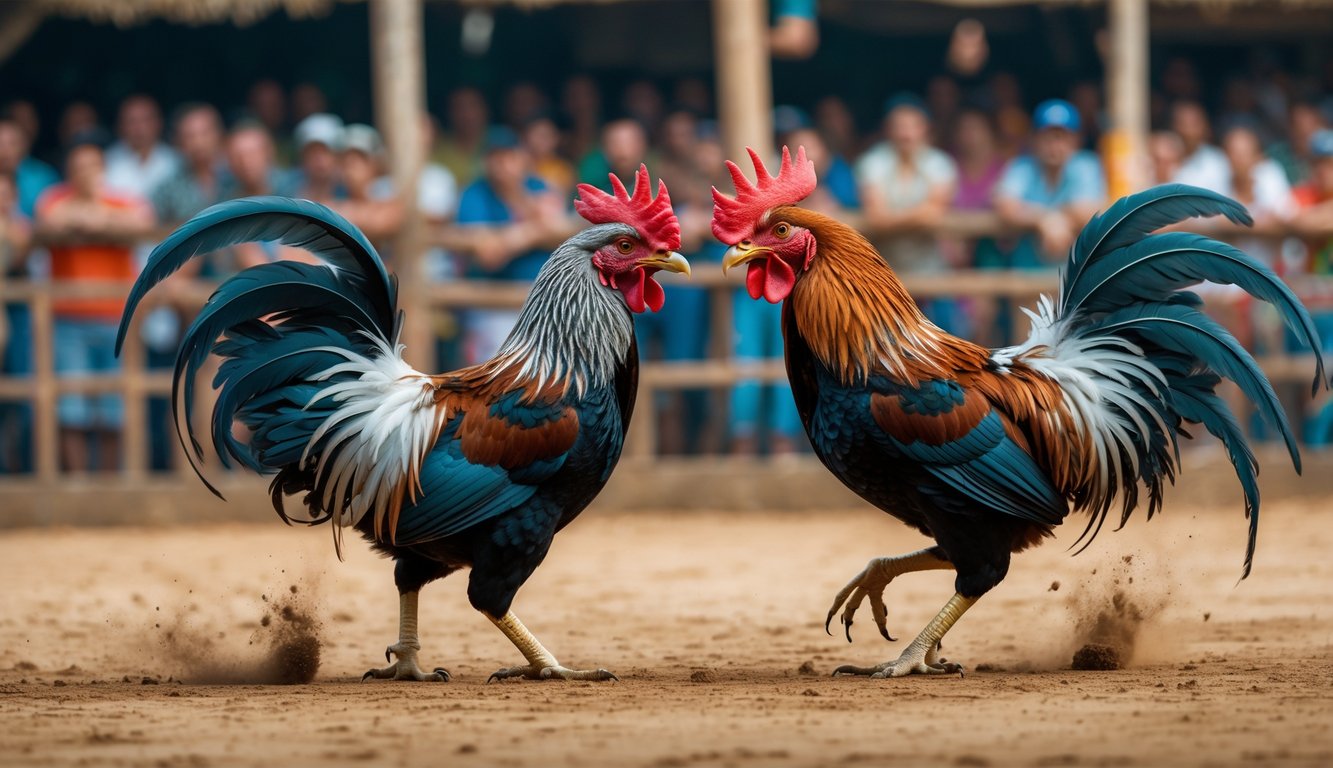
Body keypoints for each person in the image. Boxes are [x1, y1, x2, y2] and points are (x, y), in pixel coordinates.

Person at [34, 132, 155, 472]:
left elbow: (142, 223)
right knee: (70, 408)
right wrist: (94, 218)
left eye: (92, 165)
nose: (86, 172)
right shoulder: (53, 198)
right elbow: (47, 224)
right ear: (69, 170)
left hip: (116, 319)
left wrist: (94, 218)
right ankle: (77, 485)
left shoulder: (123, 201)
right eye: (79, 166)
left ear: (103, 168)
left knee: (115, 409)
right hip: (68, 320)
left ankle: (110, 484)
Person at [452, 126, 565, 363]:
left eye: (509, 156)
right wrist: (532, 232)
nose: (503, 164)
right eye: (496, 157)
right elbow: (489, 255)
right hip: (492, 305)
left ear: (521, 157)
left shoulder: (537, 186)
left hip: (543, 304)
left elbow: (561, 233)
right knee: (495, 384)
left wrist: (520, 206)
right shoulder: (475, 193)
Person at [0, 118, 57, 473]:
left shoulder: (39, 187)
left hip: (23, 308)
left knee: (26, 391)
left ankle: (22, 469)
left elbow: (23, 253)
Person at [995, 99, 1106, 269]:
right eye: (1047, 136)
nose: (1054, 145)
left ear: (1076, 140)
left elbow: (1086, 209)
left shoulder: (1086, 164)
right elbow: (1005, 205)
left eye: (1061, 137)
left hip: (1077, 270)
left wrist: (1052, 218)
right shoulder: (1022, 166)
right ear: (1033, 139)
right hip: (1029, 268)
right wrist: (1044, 219)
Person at [855, 93, 957, 276]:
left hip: (931, 270)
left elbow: (933, 213)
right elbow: (876, 216)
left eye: (913, 126)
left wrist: (891, 219)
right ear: (888, 129)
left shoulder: (940, 163)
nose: (906, 133)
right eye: (900, 126)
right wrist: (917, 217)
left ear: (925, 129)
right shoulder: (872, 162)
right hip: (882, 270)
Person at [0, 173, 32, 472]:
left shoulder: (22, 229)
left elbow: (18, 258)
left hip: (19, 319)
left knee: (22, 398)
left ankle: (18, 469)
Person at [153, 103, 227, 227]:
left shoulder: (236, 176)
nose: (198, 142)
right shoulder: (169, 188)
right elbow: (151, 224)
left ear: (219, 134)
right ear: (178, 142)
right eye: (190, 136)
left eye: (205, 133)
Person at [333, 123, 404, 249]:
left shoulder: (387, 188)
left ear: (376, 162)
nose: (350, 165)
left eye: (359, 157)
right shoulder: (337, 191)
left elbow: (384, 222)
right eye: (345, 158)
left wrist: (341, 213)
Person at [104, 95, 180, 199]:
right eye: (132, 121)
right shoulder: (107, 161)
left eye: (146, 120)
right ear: (120, 126)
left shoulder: (175, 161)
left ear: (159, 123)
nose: (139, 127)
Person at [1170, 100, 1229, 192]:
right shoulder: (1163, 158)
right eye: (1183, 124)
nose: (1188, 131)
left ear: (1205, 127)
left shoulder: (1216, 161)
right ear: (1174, 126)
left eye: (1193, 125)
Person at [435, 87, 488, 188]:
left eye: (472, 106)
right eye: (459, 108)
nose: (467, 114)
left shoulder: (501, 142)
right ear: (449, 113)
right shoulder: (438, 150)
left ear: (485, 109)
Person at [290, 113, 344, 204]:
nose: (319, 158)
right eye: (312, 152)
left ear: (337, 155)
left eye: (325, 151)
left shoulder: (350, 190)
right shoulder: (287, 190)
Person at [521, 114, 574, 197]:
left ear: (556, 139)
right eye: (538, 135)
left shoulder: (562, 169)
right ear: (526, 136)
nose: (542, 141)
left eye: (547, 136)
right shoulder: (518, 163)